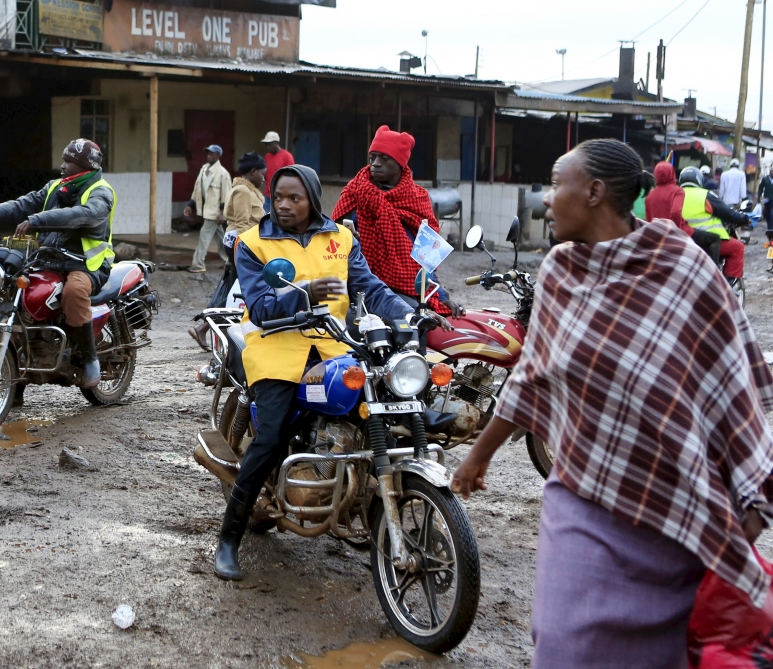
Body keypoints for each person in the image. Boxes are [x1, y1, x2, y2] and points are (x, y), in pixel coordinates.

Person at [451, 139, 773, 668]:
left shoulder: (681, 265)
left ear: (596, 192)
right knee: (562, 644)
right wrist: (478, 456)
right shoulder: (559, 273)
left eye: (558, 184)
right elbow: (533, 378)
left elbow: (733, 376)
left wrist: (748, 491)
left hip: (673, 506)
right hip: (582, 493)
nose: (546, 200)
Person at [214, 164, 415, 581]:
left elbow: (370, 288)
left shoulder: (341, 238)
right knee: (269, 438)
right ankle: (229, 538)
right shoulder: (253, 244)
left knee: (383, 410)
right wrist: (304, 293)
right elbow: (263, 304)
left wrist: (411, 313)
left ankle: (363, 504)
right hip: (277, 349)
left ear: (313, 200)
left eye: (294, 198)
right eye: (278, 197)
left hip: (334, 347)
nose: (284, 205)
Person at [0, 139, 115, 388]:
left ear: (85, 166)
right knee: (16, 293)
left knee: (74, 292)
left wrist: (38, 220)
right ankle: (18, 379)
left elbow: (84, 215)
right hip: (48, 261)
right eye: (64, 160)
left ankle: (90, 359)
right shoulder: (56, 187)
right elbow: (21, 205)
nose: (62, 166)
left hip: (86, 265)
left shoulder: (101, 191)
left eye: (69, 162)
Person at [332, 125, 454, 315]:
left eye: (384, 158)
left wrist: (441, 296)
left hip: (406, 289)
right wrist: (349, 240)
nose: (376, 163)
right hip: (358, 286)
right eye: (372, 158)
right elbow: (330, 240)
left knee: (417, 324)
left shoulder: (418, 199)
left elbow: (428, 256)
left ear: (400, 164)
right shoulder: (354, 192)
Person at [191, 152, 266, 348]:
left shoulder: (246, 190)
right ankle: (207, 328)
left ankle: (206, 328)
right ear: (253, 171)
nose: (264, 178)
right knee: (237, 290)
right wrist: (239, 255)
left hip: (242, 244)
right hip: (242, 244)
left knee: (232, 288)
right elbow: (242, 225)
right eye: (263, 174)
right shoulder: (242, 191)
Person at [680, 165, 747, 283]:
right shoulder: (704, 195)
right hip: (708, 243)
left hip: (682, 241)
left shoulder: (675, 195)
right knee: (738, 247)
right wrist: (744, 219)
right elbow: (728, 213)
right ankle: (726, 286)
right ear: (699, 180)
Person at [184, 144, 231, 273]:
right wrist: (190, 205)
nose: (209, 156)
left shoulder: (223, 174)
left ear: (218, 156)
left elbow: (226, 195)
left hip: (214, 212)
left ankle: (198, 264)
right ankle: (230, 259)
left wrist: (222, 213)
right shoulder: (204, 169)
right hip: (206, 210)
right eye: (208, 153)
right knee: (221, 238)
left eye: (212, 154)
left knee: (204, 236)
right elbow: (197, 190)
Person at [260, 131, 294, 212]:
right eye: (266, 144)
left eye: (270, 144)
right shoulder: (267, 156)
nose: (268, 147)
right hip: (268, 195)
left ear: (276, 143)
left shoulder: (287, 156)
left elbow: (291, 176)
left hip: (281, 196)